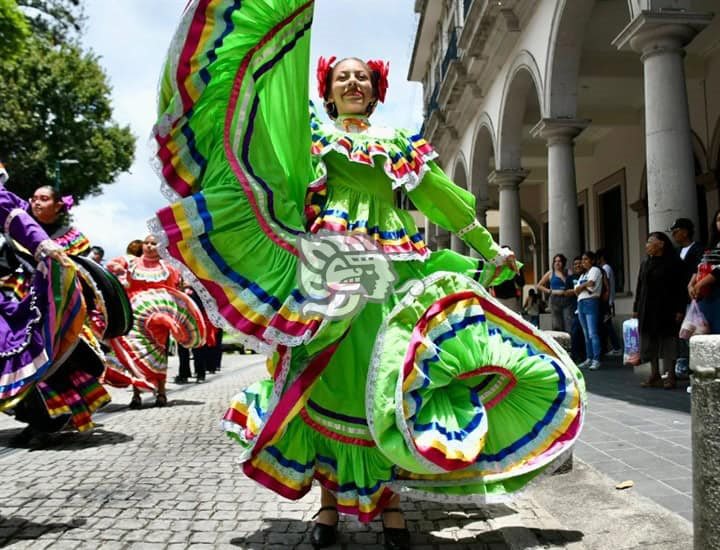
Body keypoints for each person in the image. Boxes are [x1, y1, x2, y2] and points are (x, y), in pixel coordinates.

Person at [150, 5, 585, 549]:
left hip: (390, 266)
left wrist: (486, 244)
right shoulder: (311, 139)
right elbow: (274, 160)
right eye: (341, 77)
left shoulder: (398, 143)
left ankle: (391, 502)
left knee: (385, 373)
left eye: (361, 77)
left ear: (375, 89)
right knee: (326, 375)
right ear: (327, 91)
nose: (352, 83)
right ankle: (329, 505)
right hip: (328, 260)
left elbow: (440, 200)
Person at [1, 183, 126, 438]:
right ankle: (41, 419)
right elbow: (3, 266)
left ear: (58, 205)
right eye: (33, 198)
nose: (36, 203)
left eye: (44, 198)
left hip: (64, 308)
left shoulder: (72, 239)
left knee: (60, 363)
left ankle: (50, 419)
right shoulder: (15, 237)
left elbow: (85, 276)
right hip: (27, 306)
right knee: (26, 361)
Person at [105, 235, 208, 407]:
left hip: (159, 319)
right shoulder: (131, 263)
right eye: (147, 243)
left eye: (154, 244)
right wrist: (120, 270)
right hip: (134, 316)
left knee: (160, 354)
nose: (150, 246)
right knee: (134, 354)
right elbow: (110, 267)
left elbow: (173, 292)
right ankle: (136, 394)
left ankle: (161, 392)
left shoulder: (167, 268)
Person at [633, 232, 686, 389]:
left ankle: (670, 376)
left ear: (661, 244)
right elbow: (639, 286)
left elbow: (680, 289)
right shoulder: (645, 263)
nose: (647, 245)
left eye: (650, 242)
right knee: (650, 343)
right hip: (647, 309)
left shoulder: (674, 263)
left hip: (666, 309)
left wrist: (679, 309)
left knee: (668, 342)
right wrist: (636, 307)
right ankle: (654, 374)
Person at [574, 251, 604, 370]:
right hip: (581, 303)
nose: (583, 262)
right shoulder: (583, 275)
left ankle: (596, 359)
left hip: (591, 302)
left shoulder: (595, 270)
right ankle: (589, 358)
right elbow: (576, 291)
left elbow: (591, 286)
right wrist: (583, 286)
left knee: (593, 332)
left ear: (592, 260)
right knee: (586, 334)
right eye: (582, 260)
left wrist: (582, 287)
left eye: (586, 259)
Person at [536, 253, 573, 332]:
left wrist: (562, 276)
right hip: (554, 300)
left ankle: (568, 343)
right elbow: (539, 285)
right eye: (555, 261)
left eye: (559, 261)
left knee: (568, 324)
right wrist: (550, 291)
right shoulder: (550, 273)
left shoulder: (568, 272)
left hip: (567, 300)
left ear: (563, 262)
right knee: (557, 325)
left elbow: (571, 285)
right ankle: (559, 343)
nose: (557, 263)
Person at [595, 249, 622, 356]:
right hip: (608, 301)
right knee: (606, 325)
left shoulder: (605, 268)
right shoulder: (606, 268)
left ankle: (616, 347)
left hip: (607, 302)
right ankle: (610, 347)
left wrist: (608, 301)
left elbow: (606, 286)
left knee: (608, 325)